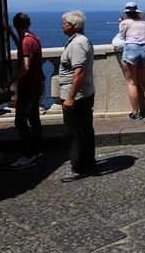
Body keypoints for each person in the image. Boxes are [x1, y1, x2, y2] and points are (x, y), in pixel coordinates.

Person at [59, 10, 96, 182]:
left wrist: (70, 98)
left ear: (72, 25)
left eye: (64, 22)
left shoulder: (76, 44)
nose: (62, 25)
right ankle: (88, 163)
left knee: (75, 132)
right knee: (85, 128)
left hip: (77, 95)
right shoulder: (82, 41)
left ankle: (79, 167)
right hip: (84, 93)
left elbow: (79, 72)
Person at [7, 13, 44, 169]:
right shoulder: (33, 39)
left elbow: (25, 66)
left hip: (28, 87)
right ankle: (37, 151)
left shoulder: (26, 42)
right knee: (34, 119)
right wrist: (12, 34)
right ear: (29, 23)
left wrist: (11, 81)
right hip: (37, 85)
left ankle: (28, 155)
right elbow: (23, 48)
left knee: (20, 122)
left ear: (16, 25)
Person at [117, 2, 145, 120]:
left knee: (132, 83)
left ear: (127, 13)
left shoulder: (124, 23)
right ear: (137, 12)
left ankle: (136, 112)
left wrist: (121, 23)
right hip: (144, 51)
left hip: (131, 50)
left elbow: (120, 39)